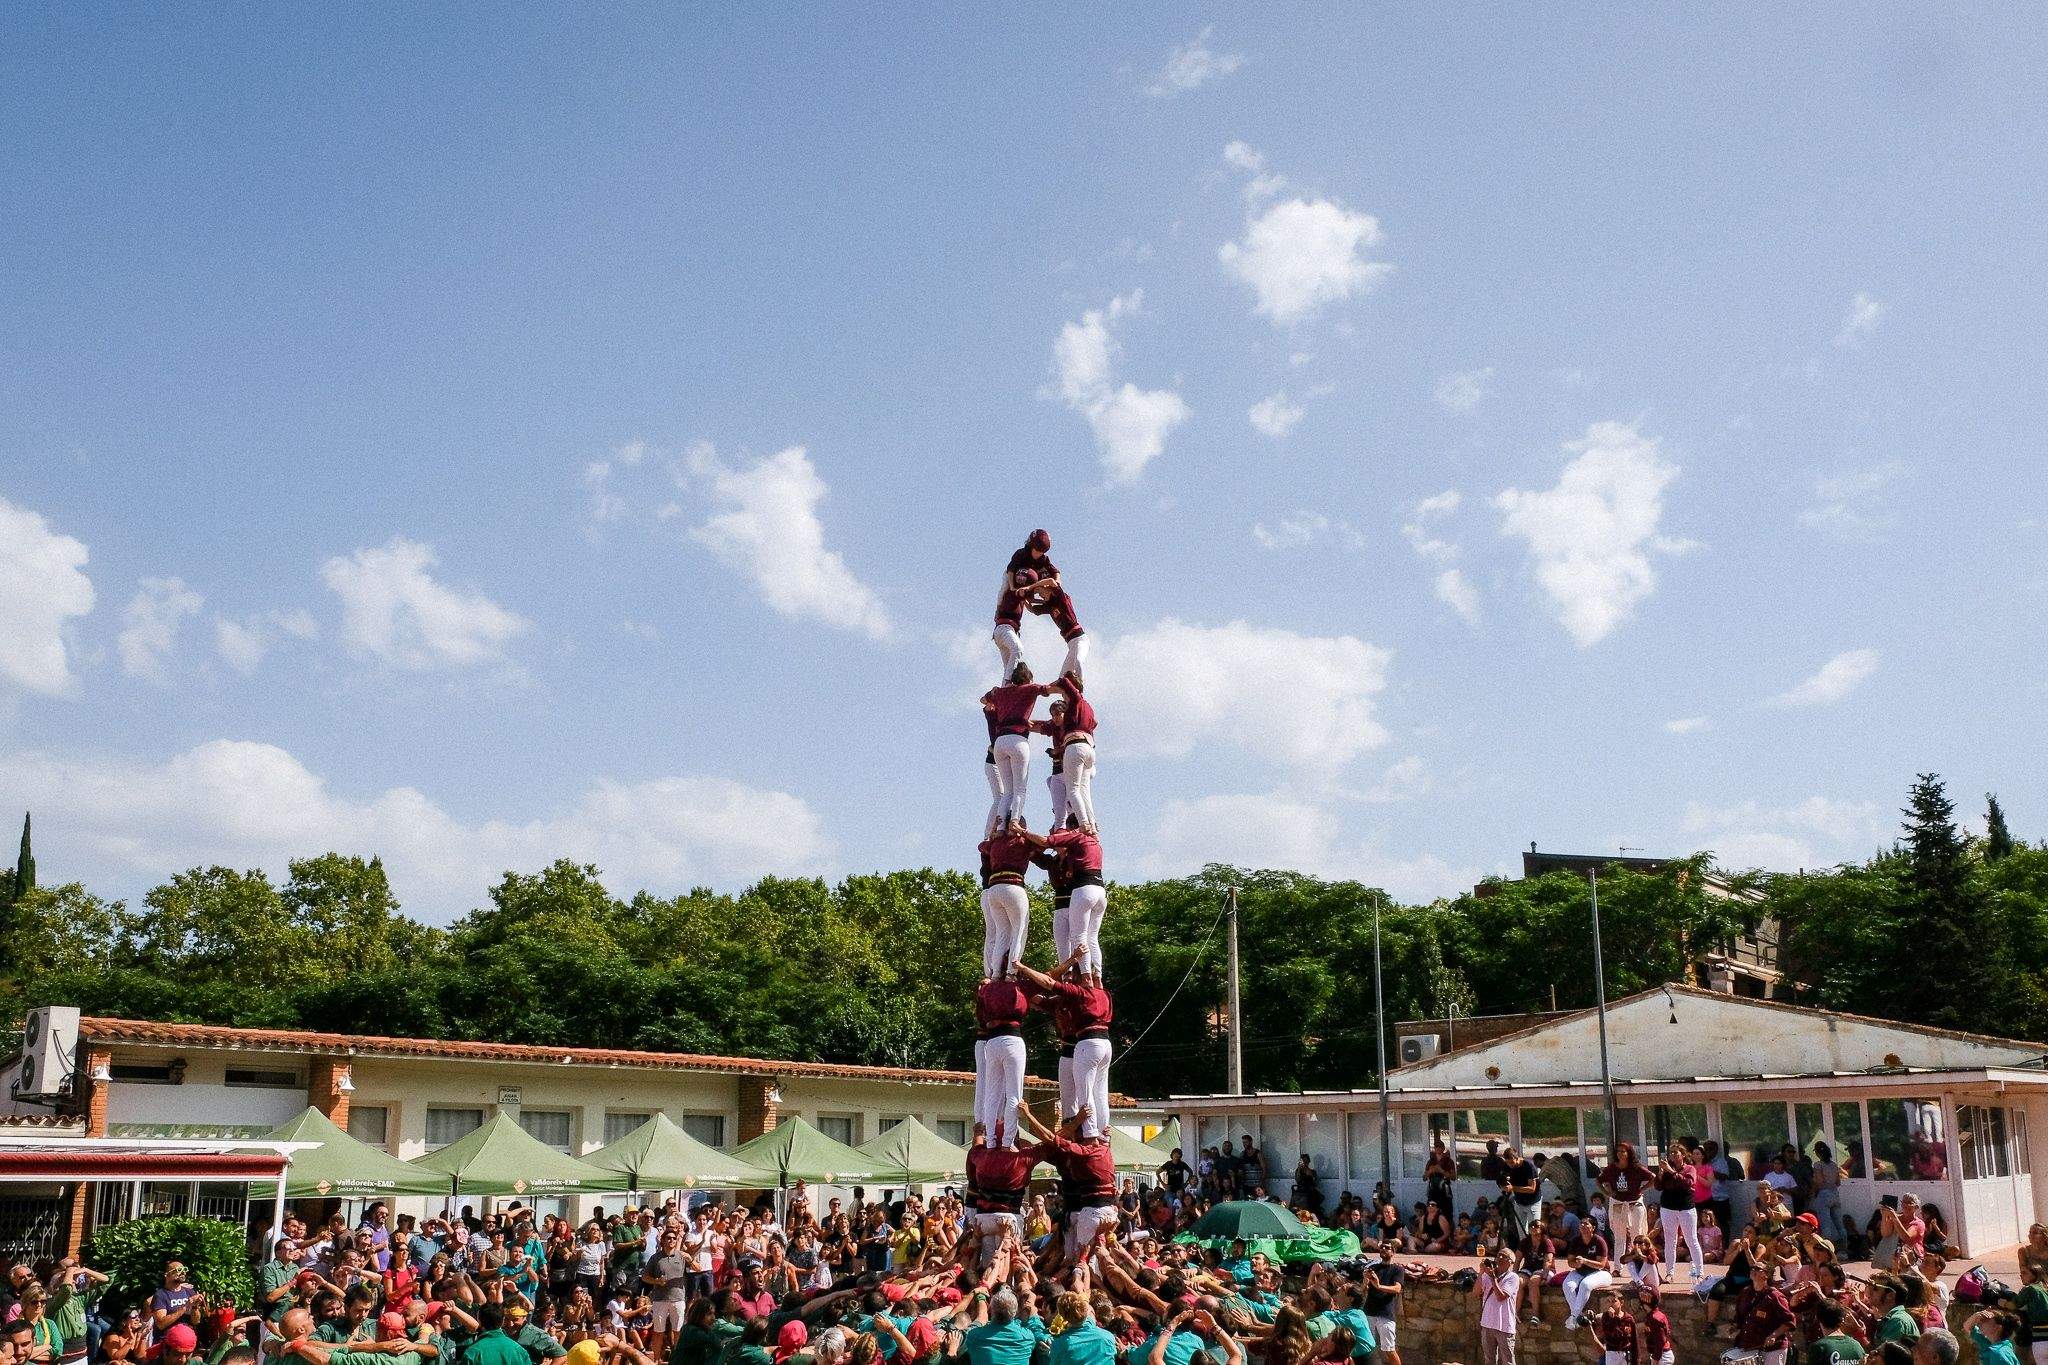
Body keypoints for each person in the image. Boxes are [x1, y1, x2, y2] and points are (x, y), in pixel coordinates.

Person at [1014, 949, 1111, 1139]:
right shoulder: (1072, 998)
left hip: (1085, 1044)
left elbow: (1049, 982)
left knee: (1088, 1090)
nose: (1066, 981)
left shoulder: (1078, 994)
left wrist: (1023, 968)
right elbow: (1035, 996)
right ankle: (1081, 1129)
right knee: (1083, 1093)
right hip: (1074, 1048)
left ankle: (1093, 1133)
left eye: (1069, 977)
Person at [1018, 1103, 1118, 1252]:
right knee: (1085, 1256)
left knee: (1084, 1256)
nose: (1064, 1133)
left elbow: (1050, 1138)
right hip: (1076, 1211)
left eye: (1067, 1130)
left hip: (1084, 1211)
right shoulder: (1067, 1152)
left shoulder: (1078, 1151)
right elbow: (1045, 1140)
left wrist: (1028, 1115)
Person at [1025, 823, 1106, 976]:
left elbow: (1091, 845)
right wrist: (1050, 842)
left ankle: (1089, 974)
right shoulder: (1052, 861)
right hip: (1060, 905)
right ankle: (1066, 974)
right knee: (1062, 943)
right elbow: (1032, 854)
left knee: (1083, 938)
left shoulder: (1075, 856)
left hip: (1077, 901)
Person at [981, 666, 1051, 833]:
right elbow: (1048, 689)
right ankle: (1014, 822)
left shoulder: (1001, 693)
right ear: (1027, 679)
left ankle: (999, 828)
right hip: (1018, 741)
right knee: (1020, 788)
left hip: (999, 744)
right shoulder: (1029, 688)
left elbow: (984, 700)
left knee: (1007, 792)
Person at [1032, 675, 1097, 834]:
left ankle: (1084, 825)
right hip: (1087, 750)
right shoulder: (1086, 707)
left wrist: (1051, 686)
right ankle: (1091, 825)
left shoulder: (1076, 703)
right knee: (1081, 791)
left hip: (1076, 748)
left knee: (1074, 790)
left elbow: (1066, 684)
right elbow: (1094, 723)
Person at [973, 972, 1031, 1146]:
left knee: (991, 1094)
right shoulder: (1013, 988)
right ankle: (1007, 1142)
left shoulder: (988, 990)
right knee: (1011, 1093)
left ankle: (991, 1140)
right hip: (1005, 1039)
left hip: (991, 1041)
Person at [976, 821, 1034, 979]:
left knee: (1001, 933)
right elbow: (1043, 844)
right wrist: (1023, 833)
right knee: (1019, 931)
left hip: (993, 890)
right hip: (1013, 885)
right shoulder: (1022, 841)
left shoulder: (996, 842)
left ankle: (994, 974)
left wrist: (995, 834)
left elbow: (981, 846)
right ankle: (1011, 972)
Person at [1653, 1145, 1702, 1282]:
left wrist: (1671, 1171)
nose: (1673, 1155)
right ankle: (1670, 1273)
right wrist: (1661, 1173)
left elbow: (1688, 1183)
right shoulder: (1667, 1170)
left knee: (1691, 1240)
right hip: (1668, 1207)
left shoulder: (1689, 1169)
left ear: (1683, 1155)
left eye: (1676, 1152)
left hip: (1685, 1208)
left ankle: (1699, 1272)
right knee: (1670, 1241)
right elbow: (1658, 1187)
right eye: (1671, 1153)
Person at [1596, 1143, 1652, 1255]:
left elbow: (1653, 1178)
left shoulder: (1636, 1167)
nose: (1620, 1153)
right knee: (1619, 1237)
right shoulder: (1611, 1168)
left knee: (1637, 1234)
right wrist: (1607, 1193)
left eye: (1623, 1151)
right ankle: (1618, 1268)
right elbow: (1598, 1180)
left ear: (1629, 1153)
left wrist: (1641, 1189)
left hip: (1634, 1203)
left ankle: (1638, 1263)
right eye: (1618, 1151)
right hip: (1618, 1203)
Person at [1557, 1219, 1612, 1331]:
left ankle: (1574, 1316)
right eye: (1581, 1223)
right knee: (1568, 1285)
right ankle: (1578, 1316)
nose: (1582, 1225)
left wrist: (1585, 1261)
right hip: (1580, 1271)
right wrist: (1576, 1264)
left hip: (1601, 1273)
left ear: (1593, 1227)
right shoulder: (1576, 1241)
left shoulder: (1599, 1241)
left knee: (1585, 1284)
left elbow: (1601, 1264)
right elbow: (1570, 1262)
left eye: (1586, 1223)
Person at [1475, 1249, 1519, 1365]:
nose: (1499, 1258)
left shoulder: (1512, 1277)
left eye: (1504, 1256)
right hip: (1487, 1323)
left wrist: (1493, 1278)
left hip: (1504, 1325)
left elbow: (1501, 1296)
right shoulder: (1487, 1275)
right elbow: (1476, 1292)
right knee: (1489, 1359)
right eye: (1498, 1255)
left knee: (1507, 1360)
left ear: (1510, 1262)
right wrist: (1481, 1273)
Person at [1361, 1246, 1402, 1365]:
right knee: (1368, 1348)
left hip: (1386, 1313)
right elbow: (1363, 1290)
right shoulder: (1372, 1268)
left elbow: (1397, 1288)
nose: (1384, 1249)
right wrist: (1365, 1281)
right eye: (1382, 1247)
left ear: (1393, 1252)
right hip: (1369, 1312)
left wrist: (1379, 1286)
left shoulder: (1397, 1269)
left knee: (1389, 1349)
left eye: (1388, 1248)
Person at [1500, 1146, 1542, 1245]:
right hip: (1519, 1201)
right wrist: (1503, 1185)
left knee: (1535, 1229)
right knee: (1522, 1231)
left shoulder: (1528, 1166)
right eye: (1507, 1163)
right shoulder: (1507, 1166)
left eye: (1512, 1162)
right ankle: (1525, 1252)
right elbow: (1502, 1180)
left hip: (1533, 1202)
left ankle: (1537, 1250)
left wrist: (1513, 1188)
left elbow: (1532, 1189)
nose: (1510, 1165)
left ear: (1516, 1158)